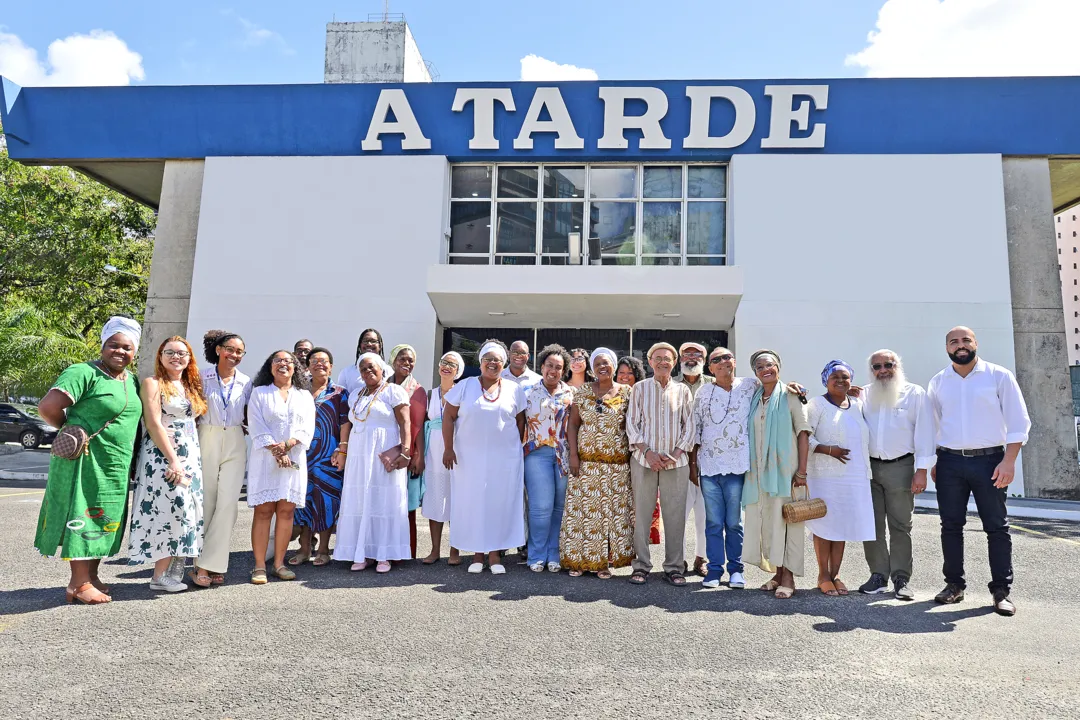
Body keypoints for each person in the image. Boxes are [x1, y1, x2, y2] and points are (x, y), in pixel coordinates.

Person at [34, 317, 143, 605]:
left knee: (103, 516)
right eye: (113, 345)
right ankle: (78, 583)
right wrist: (70, 430)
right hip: (83, 459)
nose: (120, 352)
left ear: (135, 352)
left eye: (127, 348)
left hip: (114, 464)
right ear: (102, 345)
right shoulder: (83, 372)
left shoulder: (130, 380)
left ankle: (92, 576)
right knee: (82, 513)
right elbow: (48, 407)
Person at [928, 326, 1030, 616]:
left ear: (975, 343)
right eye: (954, 342)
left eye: (965, 340)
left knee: (996, 527)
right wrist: (936, 460)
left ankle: (1001, 591)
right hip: (949, 463)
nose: (960, 346)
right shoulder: (938, 382)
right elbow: (934, 426)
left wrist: (1008, 461)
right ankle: (954, 585)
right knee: (950, 526)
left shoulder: (998, 376)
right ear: (947, 347)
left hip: (990, 462)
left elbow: (1018, 422)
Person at [127, 336, 208, 592]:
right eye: (170, 352)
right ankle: (159, 575)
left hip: (189, 455)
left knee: (187, 511)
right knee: (170, 511)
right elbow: (153, 423)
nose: (177, 357)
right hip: (163, 456)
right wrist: (173, 459)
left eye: (182, 353)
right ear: (160, 356)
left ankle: (173, 570)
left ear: (189, 358)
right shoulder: (152, 383)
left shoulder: (189, 385)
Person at [442, 340, 527, 574]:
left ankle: (495, 555)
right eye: (487, 359)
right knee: (473, 504)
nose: (492, 363)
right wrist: (448, 449)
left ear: (504, 364)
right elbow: (448, 416)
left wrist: (511, 449)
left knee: (498, 504)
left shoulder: (513, 389)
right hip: (468, 459)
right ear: (480, 363)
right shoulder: (465, 386)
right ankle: (477, 555)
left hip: (504, 460)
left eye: (497, 360)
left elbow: (520, 422)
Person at [858, 350, 934, 600]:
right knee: (872, 525)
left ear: (897, 365)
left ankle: (901, 578)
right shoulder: (863, 395)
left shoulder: (915, 393)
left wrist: (921, 471)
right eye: (877, 366)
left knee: (901, 525)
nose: (882, 370)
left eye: (888, 365)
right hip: (868, 468)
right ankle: (878, 574)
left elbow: (925, 433)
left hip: (901, 467)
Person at [334, 353, 413, 573]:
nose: (367, 372)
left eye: (371, 367)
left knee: (383, 500)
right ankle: (362, 553)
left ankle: (383, 555)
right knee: (360, 501)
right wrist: (343, 449)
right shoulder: (356, 395)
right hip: (359, 455)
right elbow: (349, 425)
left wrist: (406, 452)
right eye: (363, 369)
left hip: (383, 452)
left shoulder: (394, 391)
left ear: (382, 369)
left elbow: (405, 422)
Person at [626, 343, 697, 586]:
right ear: (649, 361)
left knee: (675, 516)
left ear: (674, 362)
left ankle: (674, 567)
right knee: (642, 514)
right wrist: (648, 452)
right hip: (644, 461)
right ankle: (642, 565)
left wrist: (676, 453)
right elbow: (631, 424)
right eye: (657, 358)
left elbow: (690, 425)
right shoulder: (639, 389)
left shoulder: (683, 391)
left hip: (676, 463)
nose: (662, 362)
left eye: (667, 358)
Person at [742, 350, 811, 600]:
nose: (765, 369)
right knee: (770, 523)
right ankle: (778, 573)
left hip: (787, 472)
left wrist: (802, 471)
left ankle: (789, 577)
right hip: (760, 473)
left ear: (778, 367)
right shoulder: (755, 397)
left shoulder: (792, 395)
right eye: (759, 367)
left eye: (769, 365)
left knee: (788, 524)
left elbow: (803, 433)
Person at [563, 347, 635, 578]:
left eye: (606, 363)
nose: (602, 367)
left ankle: (603, 563)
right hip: (586, 465)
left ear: (613, 365)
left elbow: (633, 426)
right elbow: (573, 425)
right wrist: (573, 455)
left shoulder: (627, 392)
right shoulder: (582, 391)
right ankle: (578, 562)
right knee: (583, 514)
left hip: (617, 466)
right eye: (598, 364)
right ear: (592, 368)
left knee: (611, 515)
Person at [805, 360, 875, 597]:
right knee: (825, 526)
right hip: (824, 477)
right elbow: (805, 437)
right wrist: (827, 450)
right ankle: (822, 575)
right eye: (835, 376)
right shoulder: (816, 405)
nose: (841, 381)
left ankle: (835, 574)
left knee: (842, 525)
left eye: (845, 377)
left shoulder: (857, 404)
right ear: (825, 379)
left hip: (854, 476)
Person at [247, 350, 316, 584]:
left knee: (286, 513)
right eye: (278, 361)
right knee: (264, 512)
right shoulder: (259, 393)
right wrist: (276, 450)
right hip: (265, 459)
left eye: (288, 361)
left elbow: (307, 427)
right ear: (270, 366)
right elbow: (256, 424)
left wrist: (288, 445)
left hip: (294, 458)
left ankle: (279, 564)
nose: (283, 364)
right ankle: (259, 567)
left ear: (296, 367)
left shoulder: (304, 396)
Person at [691, 346, 757, 589]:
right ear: (710, 368)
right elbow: (696, 429)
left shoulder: (750, 386)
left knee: (734, 523)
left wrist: (794, 387)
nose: (721, 362)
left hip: (738, 467)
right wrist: (692, 466)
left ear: (734, 361)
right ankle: (714, 570)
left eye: (726, 357)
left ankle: (736, 570)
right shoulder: (703, 392)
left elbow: (775, 390)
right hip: (708, 467)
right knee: (713, 522)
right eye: (715, 360)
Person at [194, 330, 252, 586]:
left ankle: (210, 564)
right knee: (206, 501)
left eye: (240, 351)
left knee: (228, 503)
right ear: (218, 349)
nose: (235, 355)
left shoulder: (246, 382)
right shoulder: (200, 377)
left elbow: (251, 414)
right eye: (230, 349)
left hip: (236, 439)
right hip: (207, 435)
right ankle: (201, 564)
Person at [289, 347, 350, 567]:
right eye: (314, 361)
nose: (319, 364)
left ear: (331, 366)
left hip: (329, 456)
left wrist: (343, 449)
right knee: (302, 501)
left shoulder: (340, 392)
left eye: (324, 361)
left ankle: (323, 549)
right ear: (307, 366)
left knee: (326, 501)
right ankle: (305, 549)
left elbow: (345, 422)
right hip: (302, 454)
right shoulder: (298, 390)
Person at [522, 344, 574, 572]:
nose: (553, 370)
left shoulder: (571, 394)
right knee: (540, 507)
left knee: (559, 507)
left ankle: (555, 553)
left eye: (558, 367)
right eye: (549, 365)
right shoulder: (527, 392)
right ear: (541, 366)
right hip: (537, 454)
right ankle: (536, 554)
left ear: (563, 371)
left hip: (564, 454)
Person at [420, 351, 464, 566]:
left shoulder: (462, 392)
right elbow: (421, 426)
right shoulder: (430, 394)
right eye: (444, 362)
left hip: (456, 452)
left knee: (456, 500)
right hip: (433, 454)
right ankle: (435, 549)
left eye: (452, 365)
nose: (447, 367)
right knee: (435, 500)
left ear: (458, 372)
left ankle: (454, 550)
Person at [387, 344, 428, 559]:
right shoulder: (383, 386)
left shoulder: (417, 390)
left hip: (407, 452)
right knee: (386, 502)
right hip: (385, 451)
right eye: (402, 359)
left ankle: (407, 551)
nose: (407, 363)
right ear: (393, 361)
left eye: (411, 360)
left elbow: (418, 425)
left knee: (407, 506)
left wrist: (418, 455)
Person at [616, 356, 660, 545]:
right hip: (616, 453)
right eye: (621, 373)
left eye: (630, 373)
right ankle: (620, 543)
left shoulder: (643, 392)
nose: (625, 377)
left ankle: (639, 543)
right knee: (619, 501)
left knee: (641, 500)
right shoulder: (610, 393)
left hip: (641, 452)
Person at [679, 341, 710, 576]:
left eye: (697, 354)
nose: (691, 357)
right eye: (686, 354)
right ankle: (677, 560)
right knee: (678, 512)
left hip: (710, 458)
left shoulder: (714, 384)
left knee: (705, 513)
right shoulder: (671, 386)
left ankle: (702, 558)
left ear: (705, 359)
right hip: (678, 457)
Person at [336, 328, 388, 395]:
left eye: (373, 341)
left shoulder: (388, 370)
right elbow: (340, 398)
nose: (369, 344)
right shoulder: (346, 373)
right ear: (360, 346)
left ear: (380, 346)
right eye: (365, 341)